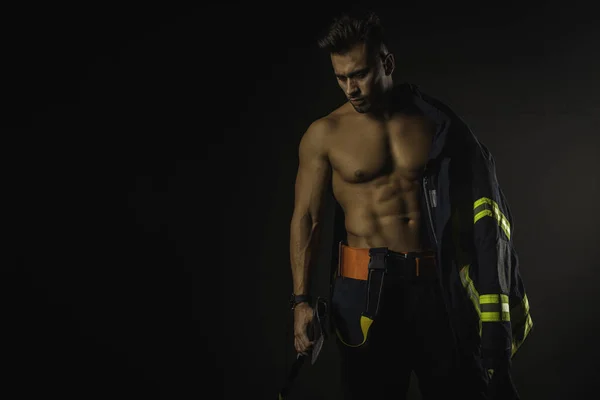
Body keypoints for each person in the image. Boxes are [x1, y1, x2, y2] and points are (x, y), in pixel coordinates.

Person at [288, 9, 533, 400]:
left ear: (387, 63)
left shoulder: (436, 125)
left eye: (360, 74)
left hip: (435, 287)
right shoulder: (324, 135)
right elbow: (308, 218)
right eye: (341, 77)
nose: (351, 88)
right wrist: (300, 302)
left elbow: (482, 213)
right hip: (365, 291)